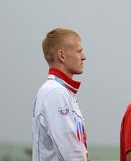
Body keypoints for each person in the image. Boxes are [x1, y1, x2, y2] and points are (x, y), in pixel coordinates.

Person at [32, 28, 89, 160]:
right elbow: (70, 153)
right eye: (79, 51)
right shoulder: (55, 92)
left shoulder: (63, 92)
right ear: (62, 55)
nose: (84, 57)